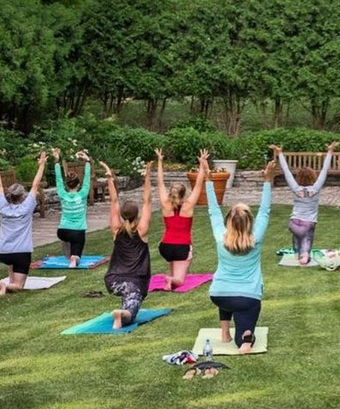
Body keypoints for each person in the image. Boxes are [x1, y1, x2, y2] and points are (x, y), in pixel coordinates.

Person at [208, 156, 275, 354]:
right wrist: (267, 180)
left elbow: (213, 210)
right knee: (247, 317)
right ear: (250, 222)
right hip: (247, 297)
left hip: (218, 294)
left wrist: (208, 180)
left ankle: (225, 334)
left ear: (228, 221)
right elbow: (265, 210)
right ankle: (245, 338)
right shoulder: (256, 238)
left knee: (228, 295)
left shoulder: (220, 237)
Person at [101, 160, 153, 330]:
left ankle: (122, 309)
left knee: (128, 295)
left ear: (123, 215)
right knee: (131, 314)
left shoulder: (116, 230)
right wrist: (147, 178)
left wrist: (110, 178)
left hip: (113, 281)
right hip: (135, 281)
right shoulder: (141, 230)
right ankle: (121, 315)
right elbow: (147, 201)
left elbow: (113, 201)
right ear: (136, 214)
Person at [271, 141, 339, 265]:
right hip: (308, 223)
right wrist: (330, 151)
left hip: (293, 223)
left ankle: (297, 254)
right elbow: (324, 170)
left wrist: (279, 153)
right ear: (313, 177)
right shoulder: (316, 188)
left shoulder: (295, 188)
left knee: (297, 236)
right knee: (307, 237)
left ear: (299, 177)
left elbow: (286, 171)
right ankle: (305, 255)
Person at [156, 148, 208, 291]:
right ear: (184, 193)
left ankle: (171, 279)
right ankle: (172, 279)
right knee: (180, 281)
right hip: (182, 247)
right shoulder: (188, 205)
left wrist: (160, 161)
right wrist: (202, 163)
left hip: (165, 247)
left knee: (174, 263)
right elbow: (198, 184)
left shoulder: (165, 204)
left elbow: (160, 183)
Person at [0, 152, 47, 295]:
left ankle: (7, 283)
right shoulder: (27, 207)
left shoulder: (2, 206)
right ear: (22, 196)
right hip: (22, 252)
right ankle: (4, 285)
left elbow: (0, 187)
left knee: (12, 267)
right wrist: (42, 164)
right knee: (19, 286)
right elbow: (35, 184)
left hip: (3, 251)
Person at [52, 149, 92, 268]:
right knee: (77, 244)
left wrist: (56, 161)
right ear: (78, 185)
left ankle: (69, 255)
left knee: (68, 239)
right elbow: (87, 179)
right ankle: (74, 258)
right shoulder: (83, 194)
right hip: (78, 232)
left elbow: (58, 179)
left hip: (62, 231)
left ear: (67, 185)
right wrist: (87, 161)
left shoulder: (62, 194)